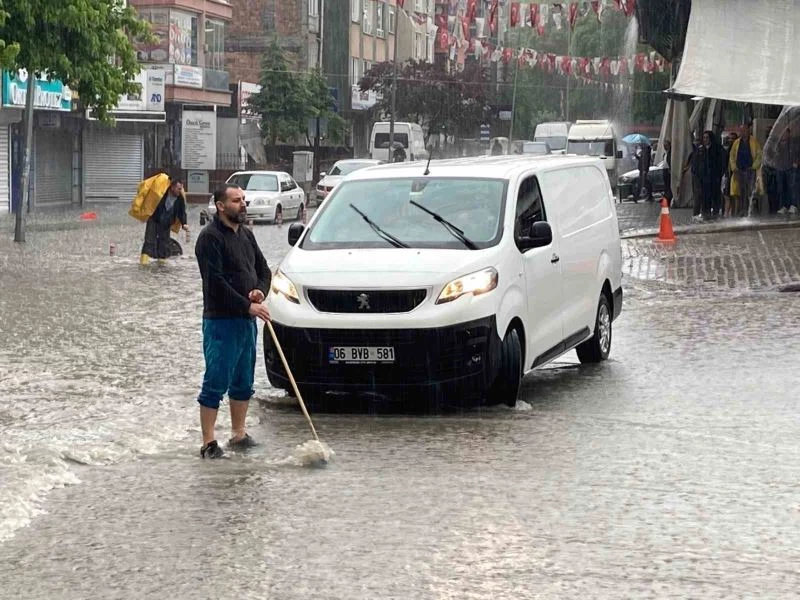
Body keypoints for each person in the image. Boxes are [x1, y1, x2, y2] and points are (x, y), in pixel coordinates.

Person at [194, 184, 272, 459]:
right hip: (221, 322)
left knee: (243, 380)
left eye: (244, 200)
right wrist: (247, 305)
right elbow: (215, 283)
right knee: (216, 380)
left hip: (245, 322)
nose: (243, 204)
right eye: (237, 200)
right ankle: (208, 442)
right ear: (220, 206)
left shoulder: (247, 235)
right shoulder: (209, 238)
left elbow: (263, 269)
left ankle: (238, 434)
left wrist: (260, 291)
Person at [140, 175, 188, 265]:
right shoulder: (161, 193)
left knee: (164, 243)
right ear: (172, 187)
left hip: (166, 223)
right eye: (178, 188)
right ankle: (144, 262)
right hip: (154, 219)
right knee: (149, 240)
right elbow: (152, 202)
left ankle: (162, 263)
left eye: (181, 188)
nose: (180, 191)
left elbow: (182, 212)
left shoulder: (180, 198)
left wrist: (184, 223)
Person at [729, 123, 763, 218]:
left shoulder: (754, 141)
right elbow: (731, 156)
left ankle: (750, 212)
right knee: (740, 192)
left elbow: (759, 155)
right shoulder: (736, 143)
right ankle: (742, 211)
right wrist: (734, 168)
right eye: (740, 131)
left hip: (750, 171)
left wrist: (753, 166)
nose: (742, 132)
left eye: (744, 130)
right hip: (739, 171)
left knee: (750, 191)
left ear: (748, 131)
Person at [692, 130, 725, 220]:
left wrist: (719, 174)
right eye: (704, 137)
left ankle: (715, 213)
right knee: (704, 197)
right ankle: (705, 214)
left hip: (714, 178)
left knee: (715, 196)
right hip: (704, 178)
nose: (705, 139)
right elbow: (695, 163)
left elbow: (722, 162)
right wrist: (697, 174)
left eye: (707, 137)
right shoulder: (700, 150)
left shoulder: (717, 149)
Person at [775, 128, 799, 215]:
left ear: (789, 134)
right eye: (782, 133)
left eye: (785, 133)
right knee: (781, 188)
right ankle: (783, 206)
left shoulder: (794, 143)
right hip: (781, 168)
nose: (783, 135)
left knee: (792, 187)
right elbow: (775, 155)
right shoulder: (778, 145)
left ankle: (793, 205)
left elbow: (797, 154)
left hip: (791, 168)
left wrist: (796, 162)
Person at [722, 132, 738, 217]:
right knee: (727, 195)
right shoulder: (727, 150)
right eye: (730, 138)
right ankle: (726, 214)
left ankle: (733, 214)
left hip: (735, 175)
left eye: (733, 138)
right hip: (728, 175)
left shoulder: (737, 150)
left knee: (734, 196)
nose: (731, 140)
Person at [662, 140, 673, 205]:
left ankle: (668, 199)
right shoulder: (665, 153)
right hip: (665, 170)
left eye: (666, 145)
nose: (665, 147)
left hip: (668, 170)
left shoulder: (671, 153)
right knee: (666, 186)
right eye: (664, 145)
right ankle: (666, 198)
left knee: (669, 186)